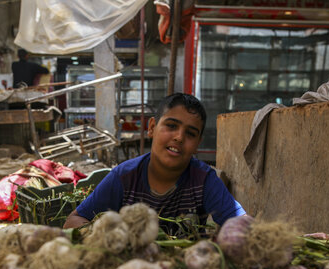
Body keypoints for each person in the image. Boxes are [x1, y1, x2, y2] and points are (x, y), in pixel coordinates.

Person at [63, 93, 246, 233]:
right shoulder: (124, 177)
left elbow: (240, 222)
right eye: (171, 126)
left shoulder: (203, 180)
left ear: (198, 143)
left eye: (190, 133)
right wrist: (103, 239)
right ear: (151, 128)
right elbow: (75, 220)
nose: (179, 137)